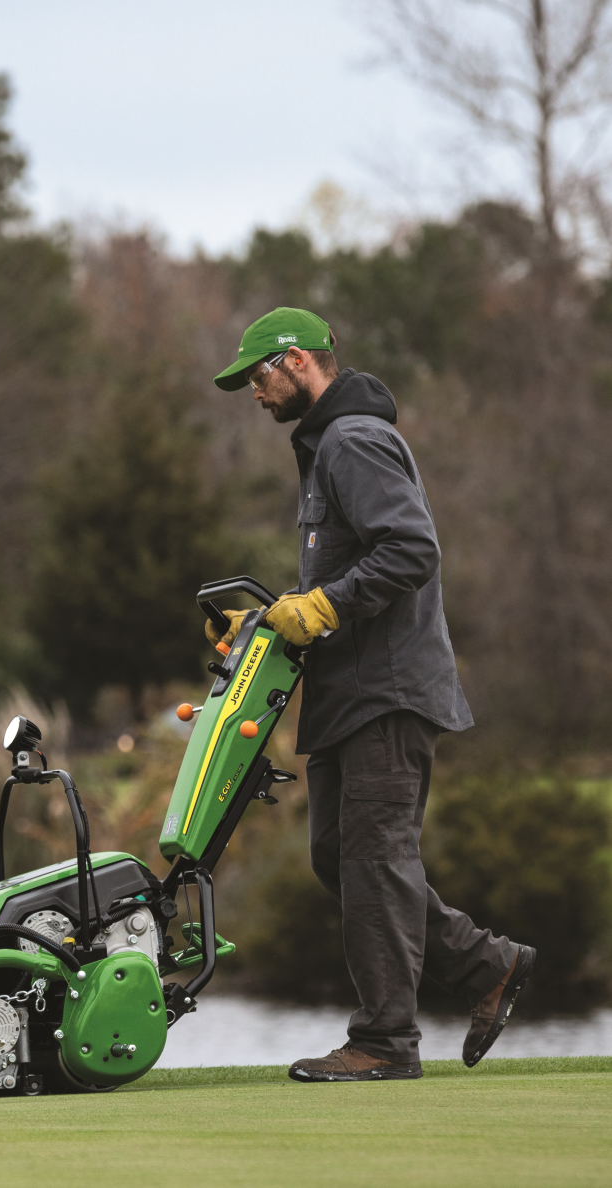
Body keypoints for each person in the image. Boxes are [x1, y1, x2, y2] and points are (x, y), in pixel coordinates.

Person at [209, 307, 534, 1082]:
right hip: (348, 692)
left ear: (294, 363)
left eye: (257, 376)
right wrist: (269, 616)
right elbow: (349, 569)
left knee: (375, 858)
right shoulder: (329, 448)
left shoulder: (352, 440)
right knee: (341, 858)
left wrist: (320, 608)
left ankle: (385, 1042)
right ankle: (487, 965)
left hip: (384, 693)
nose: (253, 394)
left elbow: (410, 548)